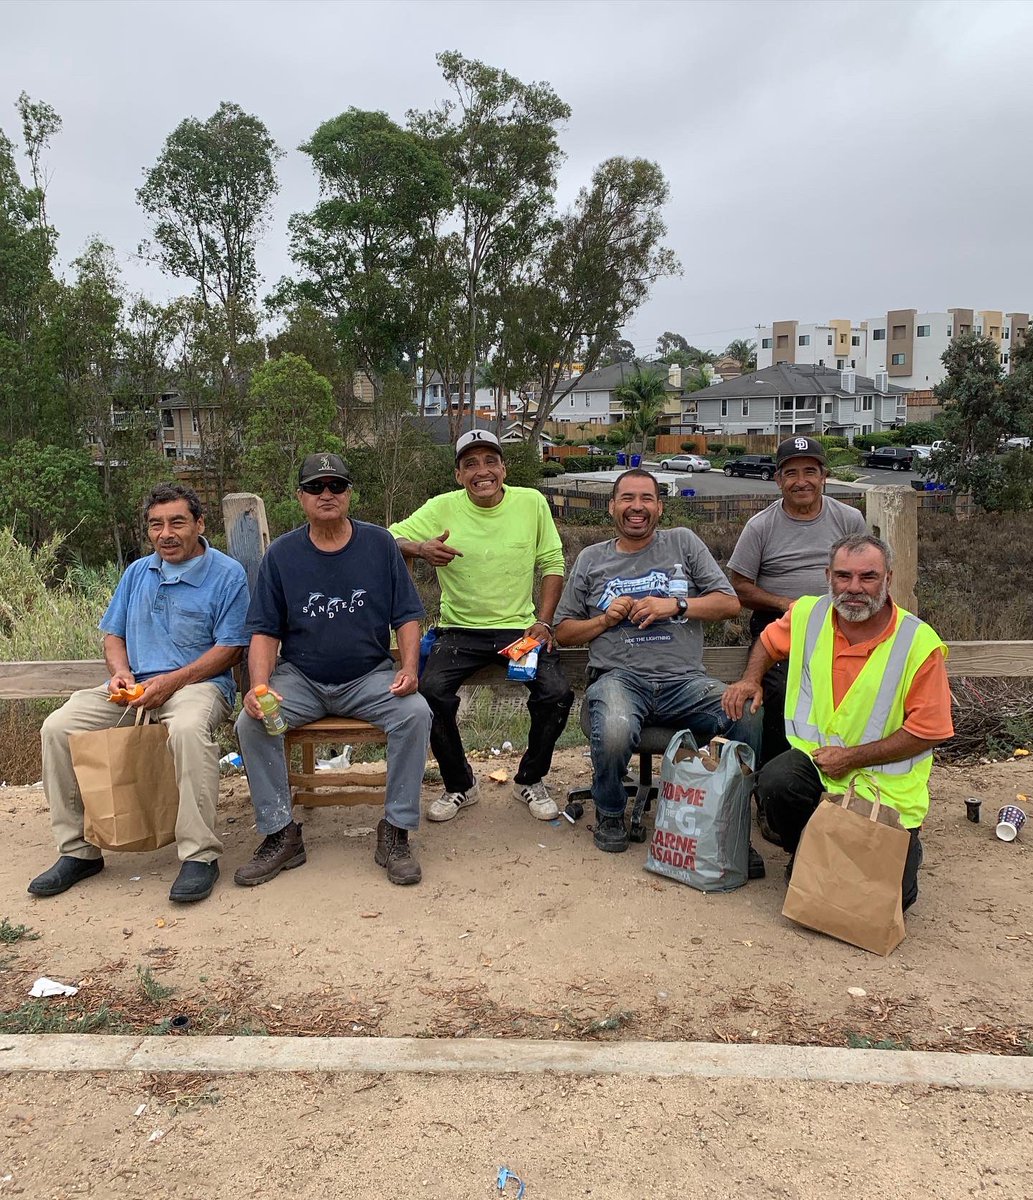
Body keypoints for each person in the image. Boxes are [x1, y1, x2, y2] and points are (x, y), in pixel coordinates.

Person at [28, 484, 250, 903]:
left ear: (200, 524)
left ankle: (200, 856)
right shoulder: (137, 572)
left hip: (198, 685)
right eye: (156, 524)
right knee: (57, 727)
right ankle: (78, 851)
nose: (166, 533)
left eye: (177, 522)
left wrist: (173, 681)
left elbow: (231, 648)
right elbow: (113, 634)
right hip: (135, 687)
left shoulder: (227, 574)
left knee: (186, 730)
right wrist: (121, 674)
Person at [721, 533, 953, 910]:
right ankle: (805, 851)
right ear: (828, 576)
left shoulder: (918, 642)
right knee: (776, 783)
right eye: (844, 576)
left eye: (868, 577)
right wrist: (751, 678)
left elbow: (929, 732)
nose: (854, 588)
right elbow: (767, 641)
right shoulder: (809, 614)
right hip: (816, 765)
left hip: (882, 785)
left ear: (888, 579)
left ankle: (905, 844)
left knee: (896, 900)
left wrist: (851, 758)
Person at [235, 453, 431, 887]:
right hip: (300, 679)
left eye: (336, 486)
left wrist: (411, 669)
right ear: (300, 496)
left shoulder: (380, 544)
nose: (327, 494)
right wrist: (260, 685)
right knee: (252, 725)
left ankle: (395, 829)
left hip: (369, 677)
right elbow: (264, 631)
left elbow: (407, 617)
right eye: (316, 487)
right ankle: (280, 833)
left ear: (349, 493)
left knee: (415, 713)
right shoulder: (282, 554)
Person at [553, 468, 763, 856]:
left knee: (746, 712)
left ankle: (731, 821)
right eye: (628, 499)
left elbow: (729, 603)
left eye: (646, 498)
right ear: (612, 507)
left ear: (660, 507)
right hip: (619, 679)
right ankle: (611, 811)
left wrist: (677, 605)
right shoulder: (590, 559)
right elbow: (562, 632)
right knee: (615, 727)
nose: (637, 507)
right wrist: (605, 619)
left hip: (686, 683)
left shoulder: (683, 543)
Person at [389, 430, 573, 823]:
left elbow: (553, 563)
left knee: (556, 692)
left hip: (520, 630)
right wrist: (420, 549)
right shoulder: (442, 507)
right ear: (458, 475)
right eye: (470, 464)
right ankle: (460, 784)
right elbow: (386, 537)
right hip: (459, 630)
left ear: (503, 468)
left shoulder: (531, 503)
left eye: (490, 461)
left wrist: (543, 621)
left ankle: (530, 779)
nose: (482, 471)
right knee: (431, 693)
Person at [727, 435, 866, 767]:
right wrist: (785, 604)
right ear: (778, 480)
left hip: (841, 628)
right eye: (791, 474)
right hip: (780, 631)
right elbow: (739, 587)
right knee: (783, 691)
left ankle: (844, 773)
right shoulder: (760, 526)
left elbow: (867, 575)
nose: (801, 482)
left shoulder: (849, 520)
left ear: (823, 476)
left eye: (809, 472)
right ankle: (777, 780)